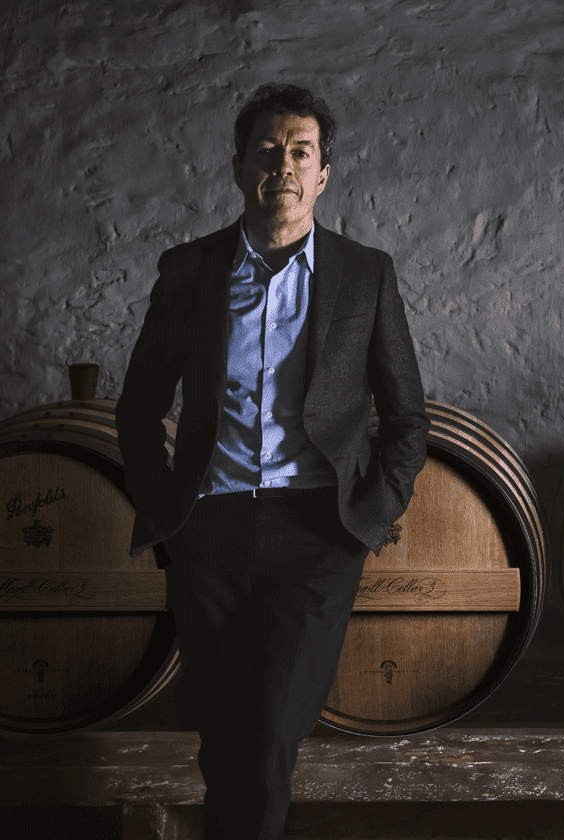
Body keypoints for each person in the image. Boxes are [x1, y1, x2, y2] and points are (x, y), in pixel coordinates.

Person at [115, 83, 429, 840]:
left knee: (266, 734)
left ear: (323, 174)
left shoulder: (365, 274)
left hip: (318, 533)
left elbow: (407, 416)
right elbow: (137, 406)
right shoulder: (189, 271)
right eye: (266, 149)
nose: (282, 165)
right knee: (224, 740)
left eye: (300, 151)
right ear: (237, 167)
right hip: (210, 531)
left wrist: (370, 515)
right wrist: (170, 516)